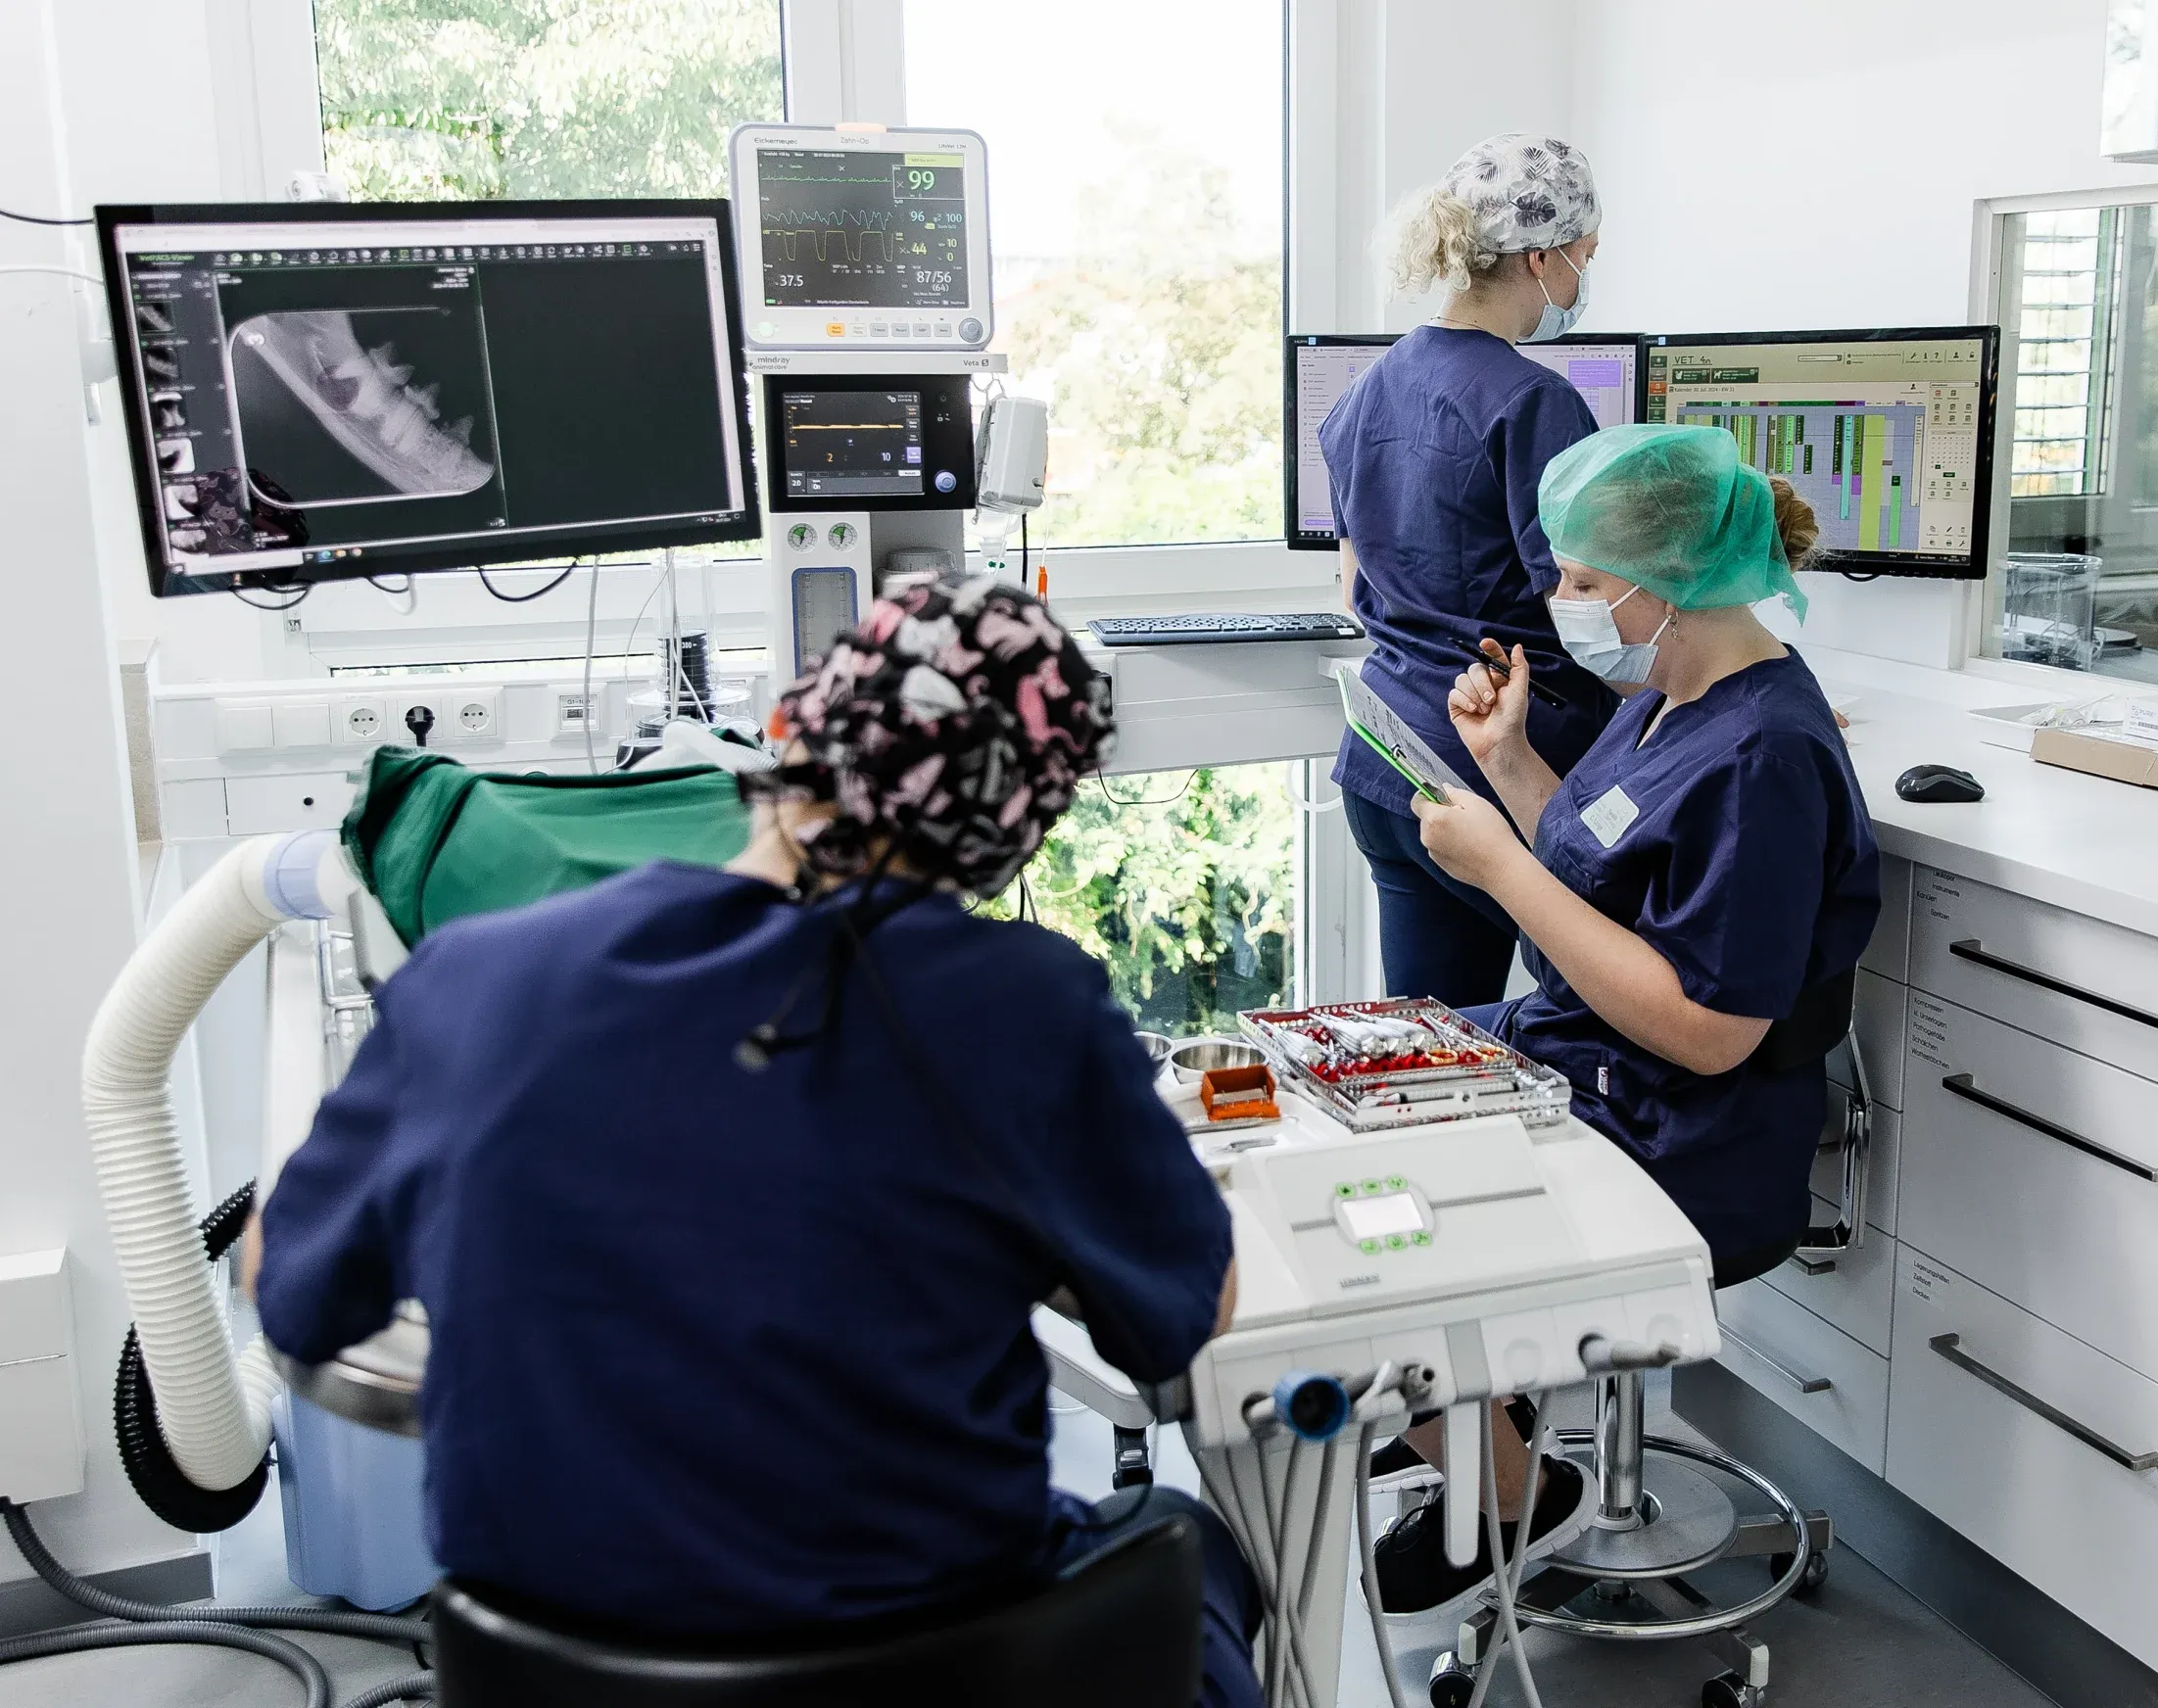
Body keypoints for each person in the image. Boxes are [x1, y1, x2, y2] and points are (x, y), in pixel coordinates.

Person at [252, 577, 1262, 1708]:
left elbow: (289, 1293)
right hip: (936, 1658)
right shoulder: (1023, 1009)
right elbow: (1184, 1315)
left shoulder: (479, 977)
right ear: (1021, 823)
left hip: (551, 1668)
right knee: (1195, 1542)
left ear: (794, 732)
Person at [1366, 425, 1882, 1615]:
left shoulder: (1763, 754)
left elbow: (1710, 1029)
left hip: (1679, 1130)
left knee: (1379, 1221)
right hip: (1589, 1067)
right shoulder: (1664, 695)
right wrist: (1505, 766)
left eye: (1584, 582)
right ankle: (1470, 1417)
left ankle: (1509, 1491)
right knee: (1337, 1113)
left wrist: (1498, 870)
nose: (1561, 602)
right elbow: (1601, 866)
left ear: (1669, 584)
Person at [1320, 132, 1621, 1008]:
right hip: (1500, 763)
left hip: (1386, 756)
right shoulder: (1536, 401)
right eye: (1585, 258)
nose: (1581, 281)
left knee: (1436, 1047)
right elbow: (1597, 611)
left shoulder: (1365, 390)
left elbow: (1354, 589)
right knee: (1598, 1021)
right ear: (1543, 257)